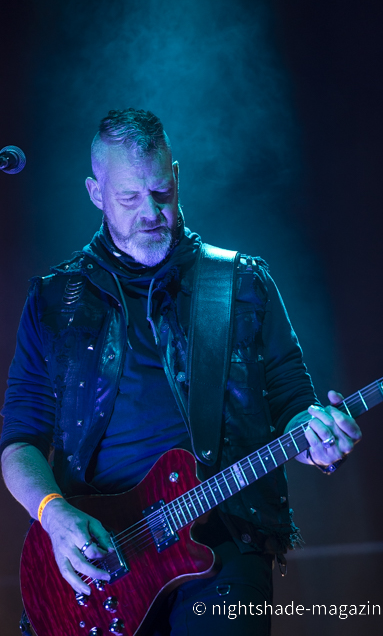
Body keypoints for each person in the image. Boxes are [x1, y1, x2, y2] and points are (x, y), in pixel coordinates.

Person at [0, 108, 361, 636]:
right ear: (96, 193)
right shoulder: (55, 301)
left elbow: (293, 403)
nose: (151, 212)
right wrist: (54, 513)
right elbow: (19, 442)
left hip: (226, 541)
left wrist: (316, 440)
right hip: (107, 559)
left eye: (161, 192)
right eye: (129, 198)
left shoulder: (240, 283)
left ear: (176, 177)